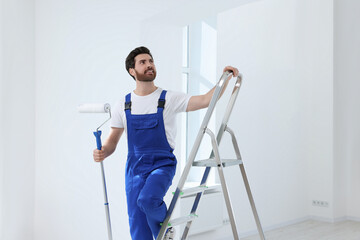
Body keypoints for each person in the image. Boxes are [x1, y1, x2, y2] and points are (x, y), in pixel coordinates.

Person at [93, 46, 239, 240]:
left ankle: (166, 228)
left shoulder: (168, 98)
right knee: (137, 226)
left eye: (151, 61)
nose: (149, 65)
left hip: (162, 164)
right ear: (132, 71)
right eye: (142, 62)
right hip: (134, 168)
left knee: (148, 200)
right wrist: (103, 151)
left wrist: (225, 79)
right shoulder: (123, 104)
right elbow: (112, 141)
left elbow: (205, 100)